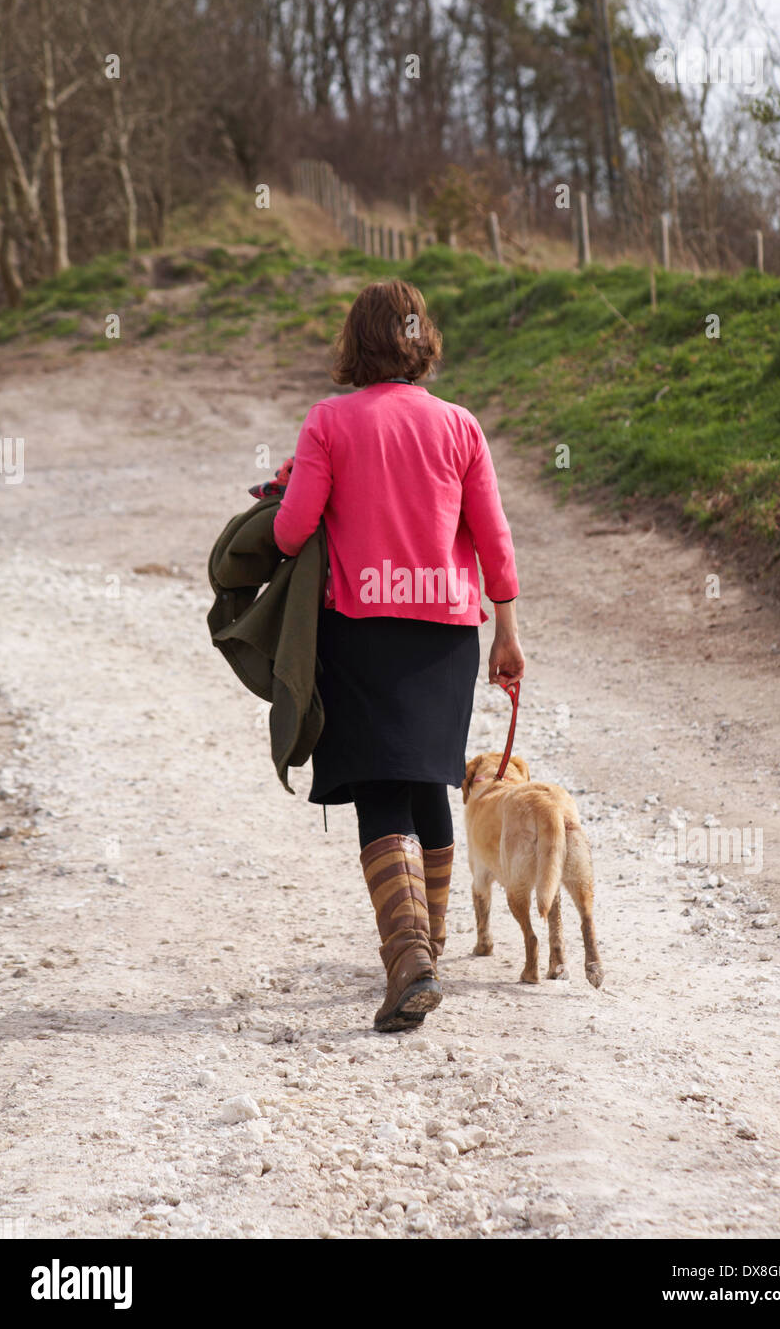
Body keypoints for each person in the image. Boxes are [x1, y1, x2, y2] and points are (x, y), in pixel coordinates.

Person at [273, 279, 523, 1032]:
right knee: (428, 787)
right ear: (422, 340)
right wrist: (506, 631)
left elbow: (290, 534)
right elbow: (492, 537)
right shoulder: (459, 425)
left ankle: (408, 954)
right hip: (448, 634)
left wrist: (291, 486)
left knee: (380, 787)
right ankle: (429, 950)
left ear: (355, 342)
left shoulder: (329, 420)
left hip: (362, 629)